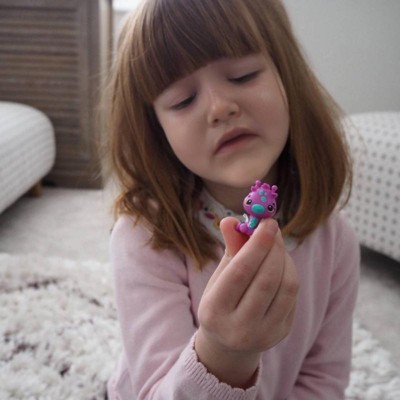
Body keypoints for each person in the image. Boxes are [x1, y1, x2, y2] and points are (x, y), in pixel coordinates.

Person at [105, 0, 360, 398]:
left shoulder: (335, 240)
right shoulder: (144, 236)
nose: (220, 108)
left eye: (243, 75)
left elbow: (323, 380)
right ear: (156, 132)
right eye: (183, 100)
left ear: (286, 75)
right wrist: (222, 354)